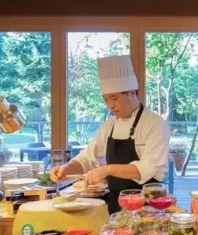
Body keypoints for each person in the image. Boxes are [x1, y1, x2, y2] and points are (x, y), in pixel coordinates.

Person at [50, 55, 171, 214]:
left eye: (114, 98)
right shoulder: (109, 125)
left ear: (132, 93)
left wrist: (107, 169)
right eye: (106, 100)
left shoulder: (155, 123)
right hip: (115, 206)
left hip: (148, 207)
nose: (110, 105)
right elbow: (88, 157)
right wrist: (66, 168)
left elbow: (147, 168)